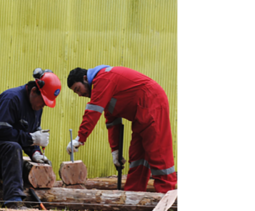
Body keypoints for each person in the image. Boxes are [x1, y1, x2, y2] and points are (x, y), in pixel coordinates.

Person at [66, 65, 177, 193]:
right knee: (137, 158)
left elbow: (93, 110)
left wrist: (80, 138)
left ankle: (167, 197)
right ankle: (132, 197)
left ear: (85, 78)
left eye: (78, 89)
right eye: (76, 92)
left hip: (153, 104)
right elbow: (112, 122)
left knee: (158, 153)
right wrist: (116, 151)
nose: (80, 95)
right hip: (141, 111)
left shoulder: (103, 79)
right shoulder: (105, 85)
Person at [0, 69, 61, 209]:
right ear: (33, 91)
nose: (43, 105)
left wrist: (35, 152)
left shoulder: (37, 107)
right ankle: (13, 200)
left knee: (13, 151)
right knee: (12, 148)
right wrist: (31, 139)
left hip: (0, 144)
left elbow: (27, 132)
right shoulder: (12, 99)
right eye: (43, 101)